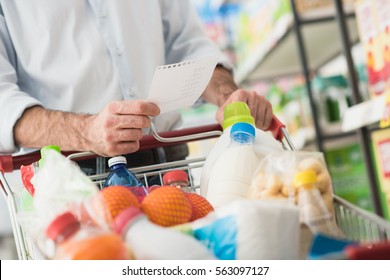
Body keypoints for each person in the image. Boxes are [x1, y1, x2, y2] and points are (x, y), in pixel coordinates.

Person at [0, 1, 272, 159]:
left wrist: (228, 97)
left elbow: (187, 44)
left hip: (168, 159)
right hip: (71, 180)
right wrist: (87, 132)